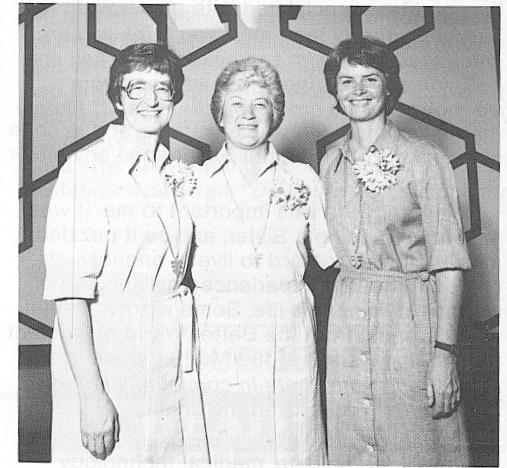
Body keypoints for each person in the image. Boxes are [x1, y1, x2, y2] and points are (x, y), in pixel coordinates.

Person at [43, 43, 208, 463]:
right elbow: (69, 294)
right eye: (136, 88)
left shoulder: (173, 172)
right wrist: (92, 395)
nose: (151, 100)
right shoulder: (88, 169)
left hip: (168, 357)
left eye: (163, 87)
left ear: (175, 97)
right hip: (110, 359)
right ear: (117, 98)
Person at [320, 37, 471, 465]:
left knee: (416, 442)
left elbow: (450, 262)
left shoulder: (424, 158)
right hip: (346, 321)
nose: (358, 89)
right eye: (346, 80)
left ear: (389, 88)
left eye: (370, 78)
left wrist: (444, 353)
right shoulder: (329, 163)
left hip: (409, 320)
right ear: (335, 91)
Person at [188, 57, 337, 464]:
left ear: (276, 114)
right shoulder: (195, 183)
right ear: (220, 114)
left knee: (292, 440)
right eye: (237, 103)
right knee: (229, 439)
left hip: (289, 327)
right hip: (220, 331)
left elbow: (334, 260)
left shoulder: (302, 179)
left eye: (261, 104)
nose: (249, 114)